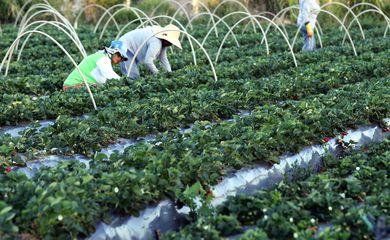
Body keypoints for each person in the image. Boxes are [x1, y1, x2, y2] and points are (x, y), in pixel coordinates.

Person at [118, 24, 182, 79]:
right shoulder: (156, 42)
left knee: (133, 74)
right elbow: (148, 61)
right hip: (124, 46)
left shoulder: (162, 43)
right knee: (132, 76)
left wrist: (169, 73)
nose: (171, 44)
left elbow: (164, 59)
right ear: (166, 39)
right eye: (171, 42)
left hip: (130, 47)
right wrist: (158, 74)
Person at [63, 41, 128, 91]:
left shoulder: (101, 56)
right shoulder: (103, 58)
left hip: (75, 85)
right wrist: (126, 83)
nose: (120, 59)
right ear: (113, 51)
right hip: (72, 86)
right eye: (119, 56)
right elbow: (110, 76)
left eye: (123, 59)